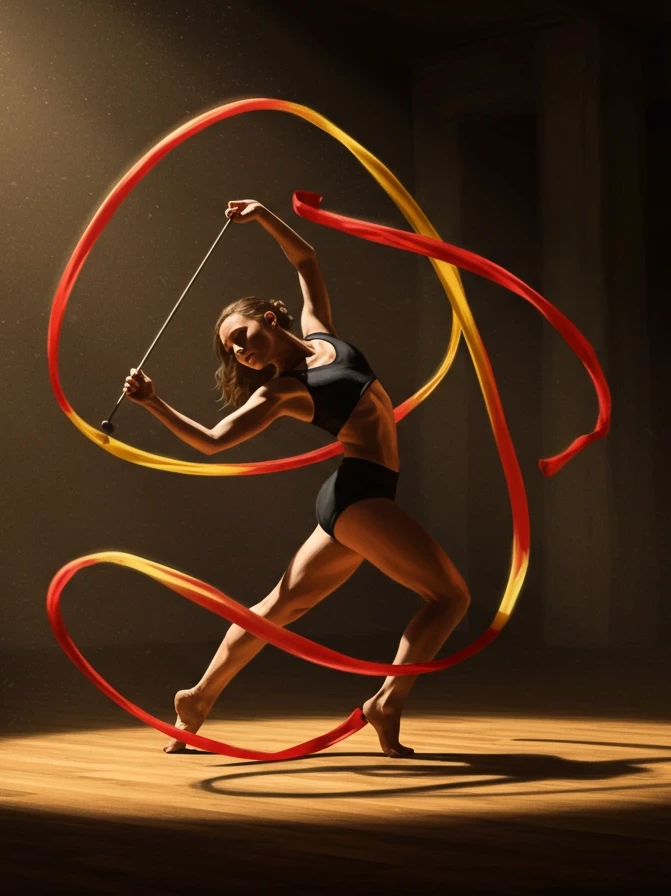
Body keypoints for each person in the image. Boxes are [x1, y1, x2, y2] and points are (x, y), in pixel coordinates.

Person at [120, 198, 471, 757]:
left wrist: (261, 216)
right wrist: (153, 404)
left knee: (278, 609)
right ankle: (388, 702)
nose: (238, 352)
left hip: (355, 498)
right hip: (359, 496)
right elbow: (212, 442)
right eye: (231, 350)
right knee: (449, 597)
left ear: (271, 318)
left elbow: (306, 258)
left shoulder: (323, 333)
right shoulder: (281, 391)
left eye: (241, 335)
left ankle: (197, 698)